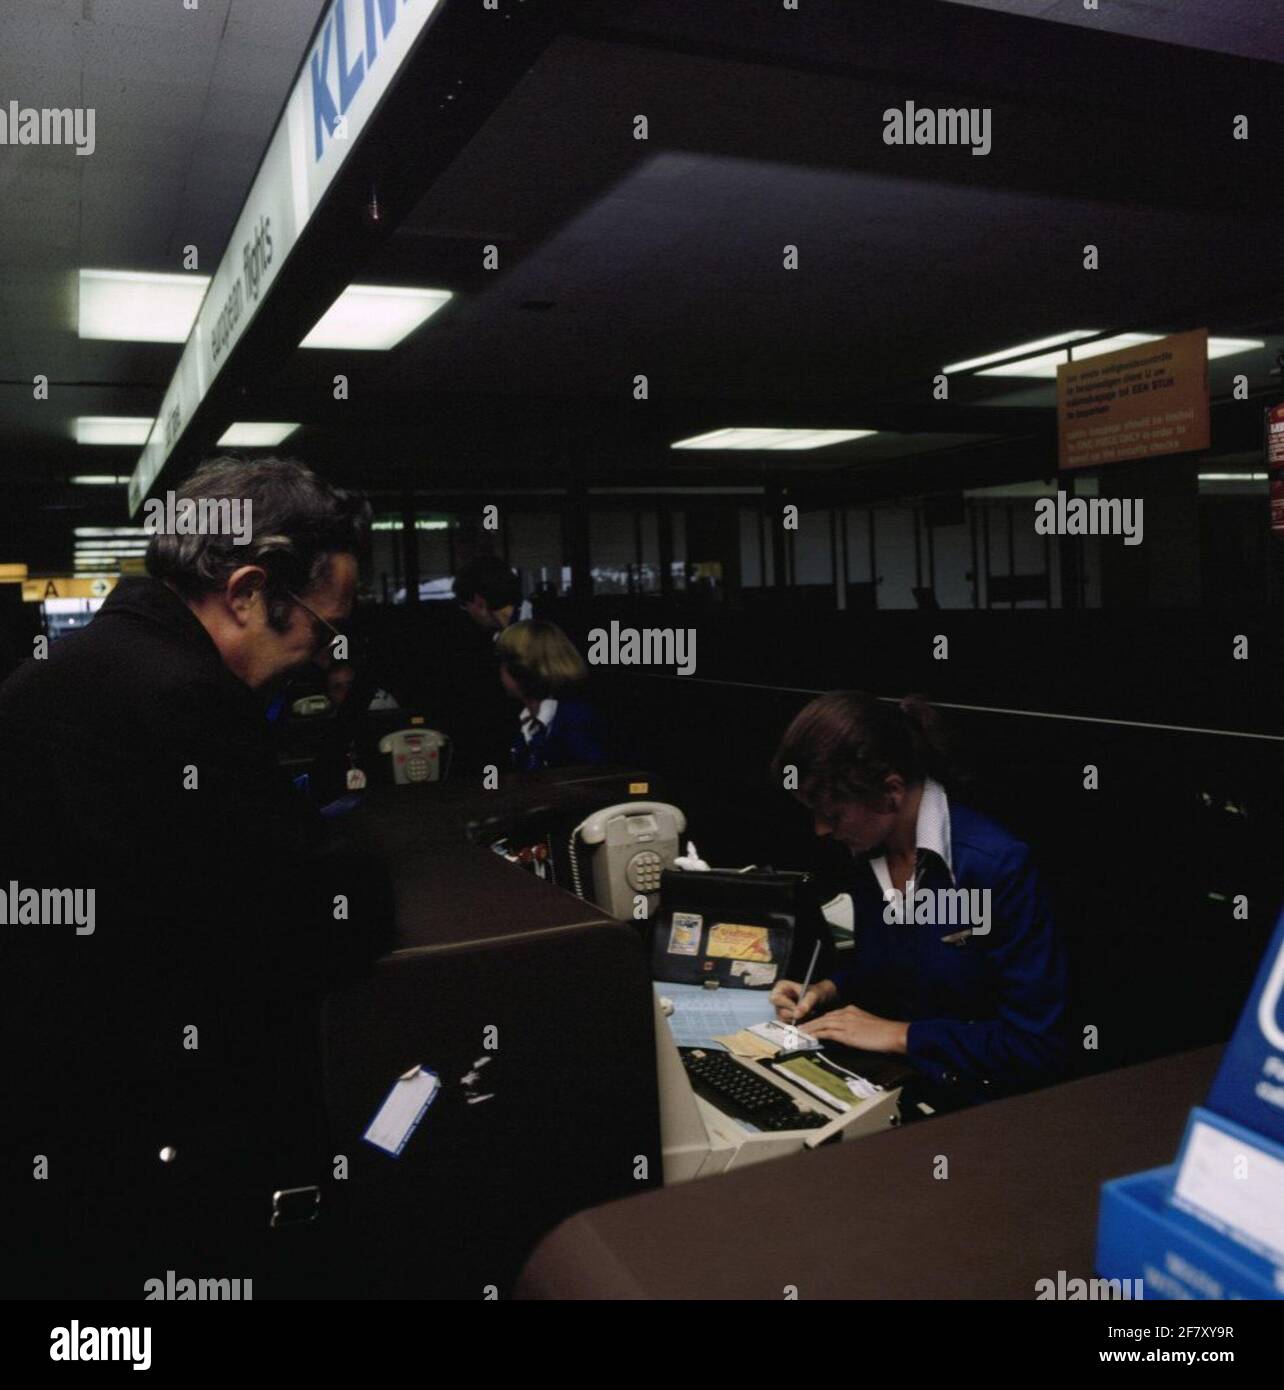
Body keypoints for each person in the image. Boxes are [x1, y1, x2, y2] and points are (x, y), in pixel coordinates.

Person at [0, 457, 393, 1298]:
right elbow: (313, 920)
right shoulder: (185, 698)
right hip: (151, 1147)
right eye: (319, 631)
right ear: (250, 590)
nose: (319, 660)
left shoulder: (66, 671)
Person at [767, 691, 1069, 1103]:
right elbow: (903, 968)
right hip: (893, 1084)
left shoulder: (993, 866)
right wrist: (827, 990)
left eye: (832, 813)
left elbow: (1036, 1043)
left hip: (984, 1103)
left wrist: (902, 1035)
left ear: (891, 790)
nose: (820, 829)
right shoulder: (866, 856)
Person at [496, 620, 606, 771]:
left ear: (520, 669)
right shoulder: (522, 720)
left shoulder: (576, 721)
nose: (499, 669)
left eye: (503, 662)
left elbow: (592, 780)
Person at [452, 554, 532, 633]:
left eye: (465, 606)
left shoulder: (536, 633)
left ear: (479, 602)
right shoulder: (513, 630)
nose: (469, 613)